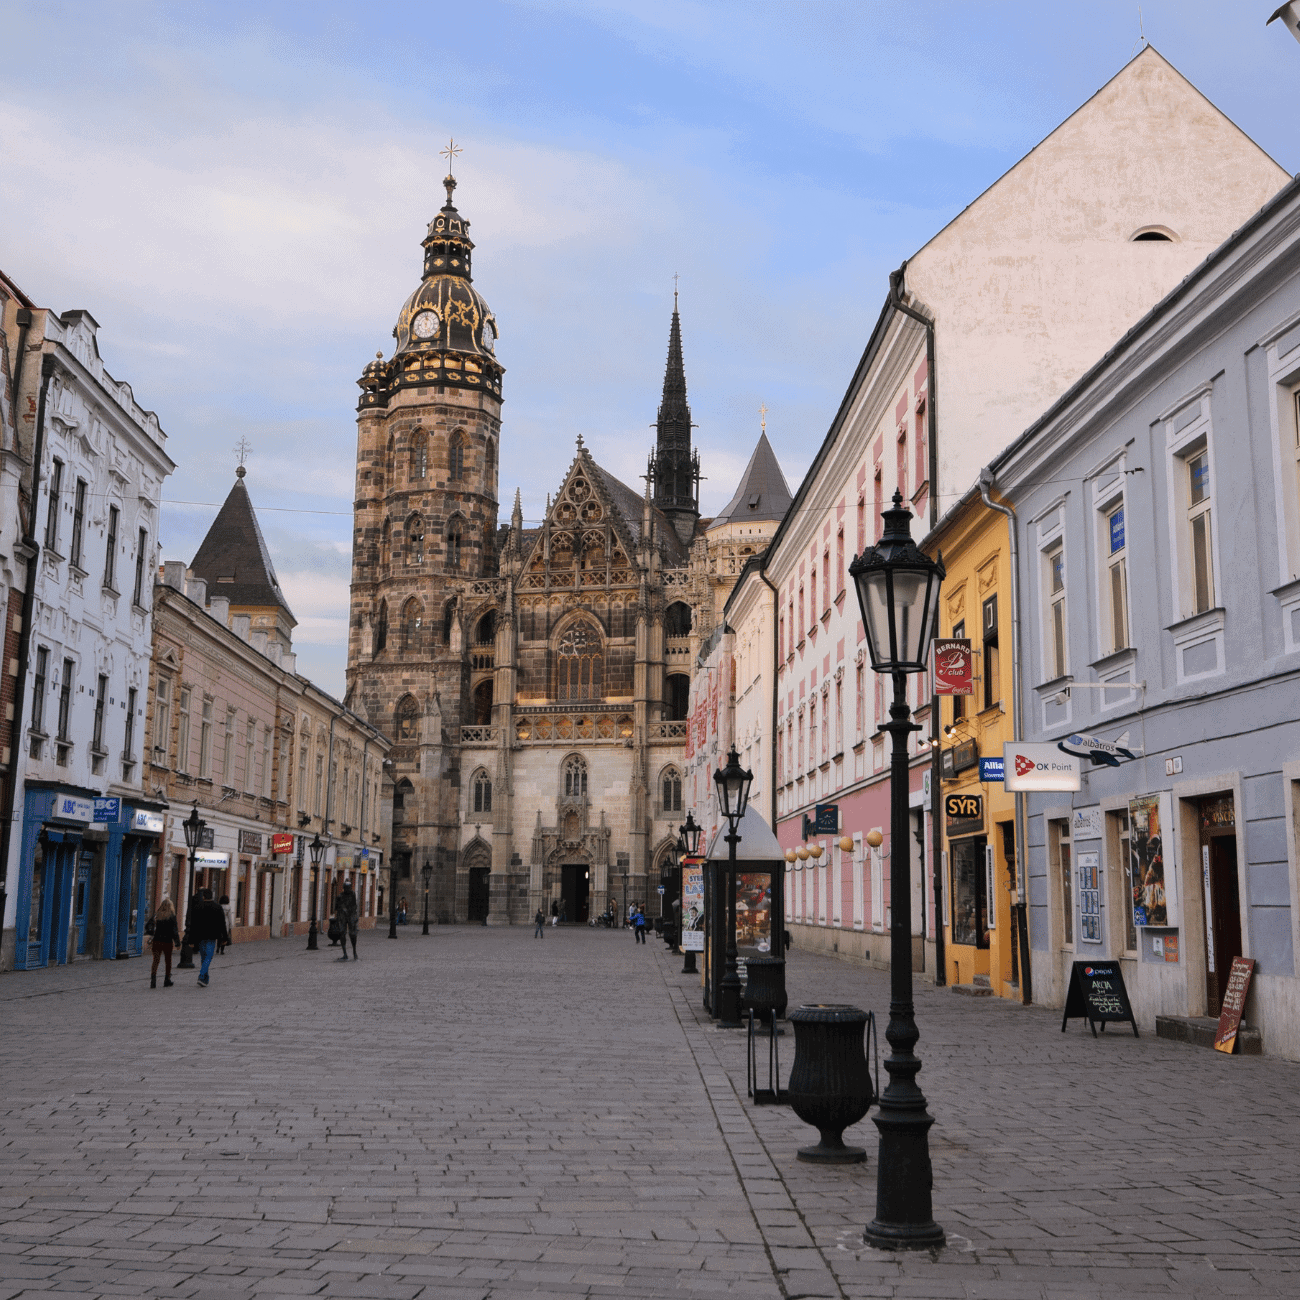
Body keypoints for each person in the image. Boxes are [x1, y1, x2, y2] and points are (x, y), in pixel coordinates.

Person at [190, 888, 229, 988]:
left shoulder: (198, 907)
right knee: (208, 957)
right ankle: (201, 975)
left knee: (204, 957)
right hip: (212, 936)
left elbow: (193, 925)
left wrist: (191, 940)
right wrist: (225, 938)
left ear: (203, 897)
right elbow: (222, 924)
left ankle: (204, 980)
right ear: (212, 896)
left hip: (201, 937)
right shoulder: (217, 907)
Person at [148, 899, 180, 989]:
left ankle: (153, 981)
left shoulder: (156, 915)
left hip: (157, 940)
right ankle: (167, 980)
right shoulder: (172, 916)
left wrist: (152, 933)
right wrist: (177, 943)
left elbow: (148, 926)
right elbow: (175, 931)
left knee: (155, 961)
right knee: (168, 961)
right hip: (167, 941)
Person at [334, 882, 360, 960]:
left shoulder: (352, 894)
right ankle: (345, 954)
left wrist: (350, 912)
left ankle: (354, 952)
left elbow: (354, 906)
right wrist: (341, 907)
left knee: (353, 934)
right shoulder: (340, 896)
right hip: (342, 916)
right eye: (346, 888)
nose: (347, 890)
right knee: (342, 933)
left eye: (348, 888)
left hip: (351, 915)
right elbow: (336, 907)